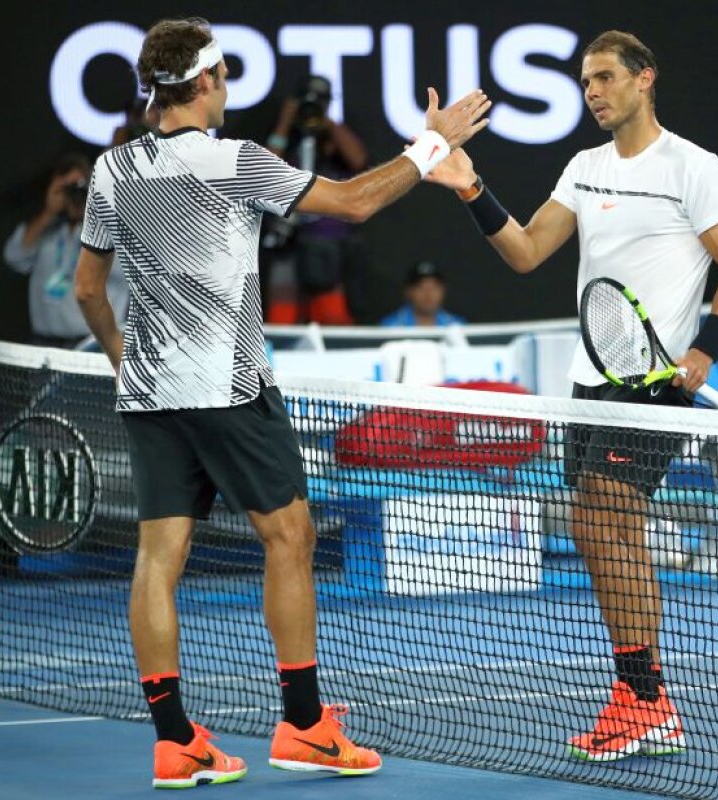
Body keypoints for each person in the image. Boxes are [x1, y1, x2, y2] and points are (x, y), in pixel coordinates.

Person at [72, 16, 489, 788]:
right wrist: (431, 145)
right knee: (289, 538)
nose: (229, 89)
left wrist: (127, 360)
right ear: (201, 83)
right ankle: (304, 726)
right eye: (224, 75)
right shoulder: (236, 160)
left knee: (157, 561)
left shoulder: (112, 171)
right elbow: (355, 202)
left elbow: (88, 290)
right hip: (229, 388)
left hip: (151, 394)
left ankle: (174, 742)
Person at [424, 30, 718, 762]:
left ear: (645, 79)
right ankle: (643, 694)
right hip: (590, 379)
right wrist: (471, 188)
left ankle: (642, 698)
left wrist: (706, 350)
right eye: (585, 82)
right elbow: (525, 252)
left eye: (605, 78)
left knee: (603, 508)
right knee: (598, 527)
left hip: (655, 382)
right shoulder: (583, 167)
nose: (593, 93)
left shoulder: (693, 167)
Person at [261, 75, 370, 324]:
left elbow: (359, 160)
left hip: (327, 240)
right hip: (285, 239)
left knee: (331, 314)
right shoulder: (287, 135)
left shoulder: (332, 134)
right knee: (283, 313)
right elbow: (264, 167)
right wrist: (286, 121)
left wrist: (325, 121)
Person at [3, 153, 127, 347]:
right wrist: (48, 213)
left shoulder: (113, 232)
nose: (75, 197)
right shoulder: (47, 233)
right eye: (68, 190)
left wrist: (96, 212)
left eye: (80, 188)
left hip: (92, 344)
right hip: (44, 343)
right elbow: (14, 257)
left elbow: (127, 271)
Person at [380, 261, 466, 326]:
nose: (428, 294)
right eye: (421, 288)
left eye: (434, 288)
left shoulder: (456, 325)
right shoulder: (392, 326)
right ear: (409, 291)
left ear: (443, 291)